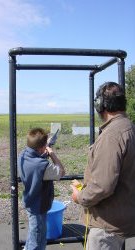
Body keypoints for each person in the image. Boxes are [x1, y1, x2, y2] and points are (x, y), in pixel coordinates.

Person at [71, 82, 135, 250]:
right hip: (122, 219)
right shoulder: (129, 127)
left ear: (100, 105)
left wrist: (81, 197)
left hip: (107, 228)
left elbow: (103, 186)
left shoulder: (112, 135)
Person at [18, 127, 65, 250]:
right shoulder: (42, 165)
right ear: (41, 148)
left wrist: (44, 149)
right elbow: (61, 172)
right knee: (38, 241)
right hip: (39, 207)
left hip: (30, 202)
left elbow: (36, 162)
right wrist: (51, 153)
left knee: (33, 235)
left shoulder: (23, 155)